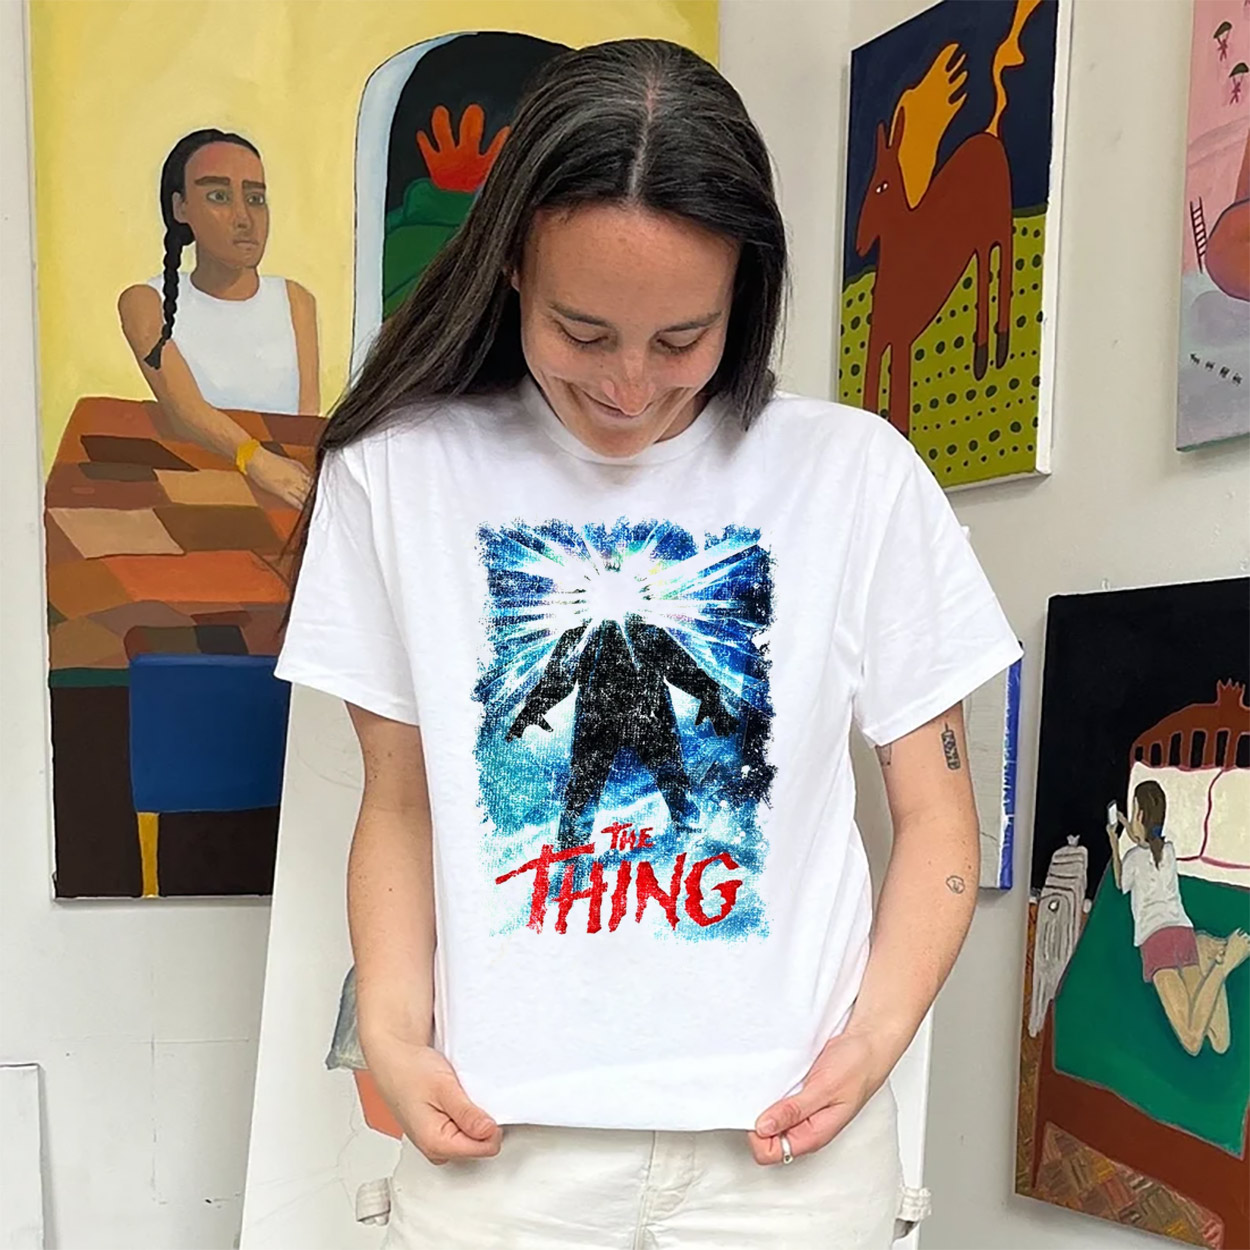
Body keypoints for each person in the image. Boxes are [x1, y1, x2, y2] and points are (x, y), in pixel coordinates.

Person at [275, 39, 1022, 1249]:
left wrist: (873, 1038)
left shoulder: (855, 474)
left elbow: (936, 814)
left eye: (681, 338)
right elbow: (400, 800)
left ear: (746, 288)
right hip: (500, 1151)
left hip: (789, 1158)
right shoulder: (395, 474)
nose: (628, 386)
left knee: (667, 782)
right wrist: (395, 1036)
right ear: (511, 265)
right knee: (586, 793)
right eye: (582, 331)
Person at [119, 128, 318, 508]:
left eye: (255, 199)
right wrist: (257, 462)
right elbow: (185, 412)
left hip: (287, 498)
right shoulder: (145, 303)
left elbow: (304, 427)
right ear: (181, 208)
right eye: (219, 196)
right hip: (190, 496)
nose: (244, 218)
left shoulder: (297, 301)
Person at [1107, 780, 1249, 1056]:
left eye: (1133, 810)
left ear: (1139, 815)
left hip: (1156, 943)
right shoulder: (1168, 851)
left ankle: (1223, 966)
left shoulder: (1133, 858)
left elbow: (1120, 882)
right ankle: (1205, 948)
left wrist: (1114, 841)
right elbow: (1149, 845)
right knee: (1220, 1042)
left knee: (1192, 1041)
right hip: (1183, 935)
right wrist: (1131, 828)